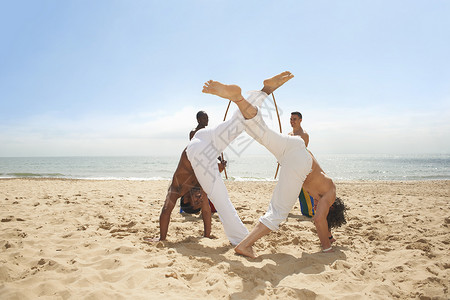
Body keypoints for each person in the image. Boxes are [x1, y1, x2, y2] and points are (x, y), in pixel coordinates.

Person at [201, 72, 346, 258]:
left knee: (257, 129)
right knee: (278, 212)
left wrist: (330, 236)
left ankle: (250, 95)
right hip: (298, 162)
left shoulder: (326, 186)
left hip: (294, 149)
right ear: (332, 208)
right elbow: (319, 220)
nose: (318, 206)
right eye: (323, 207)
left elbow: (322, 218)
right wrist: (327, 247)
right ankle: (245, 245)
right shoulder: (330, 194)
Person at [155, 72, 293, 245]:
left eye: (195, 201)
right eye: (199, 200)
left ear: (186, 200)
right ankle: (264, 90)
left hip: (197, 152)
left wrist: (161, 238)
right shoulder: (198, 187)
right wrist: (206, 236)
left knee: (222, 203)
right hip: (205, 140)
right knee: (239, 122)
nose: (199, 198)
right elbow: (206, 211)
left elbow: (166, 211)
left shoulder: (176, 188)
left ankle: (241, 240)